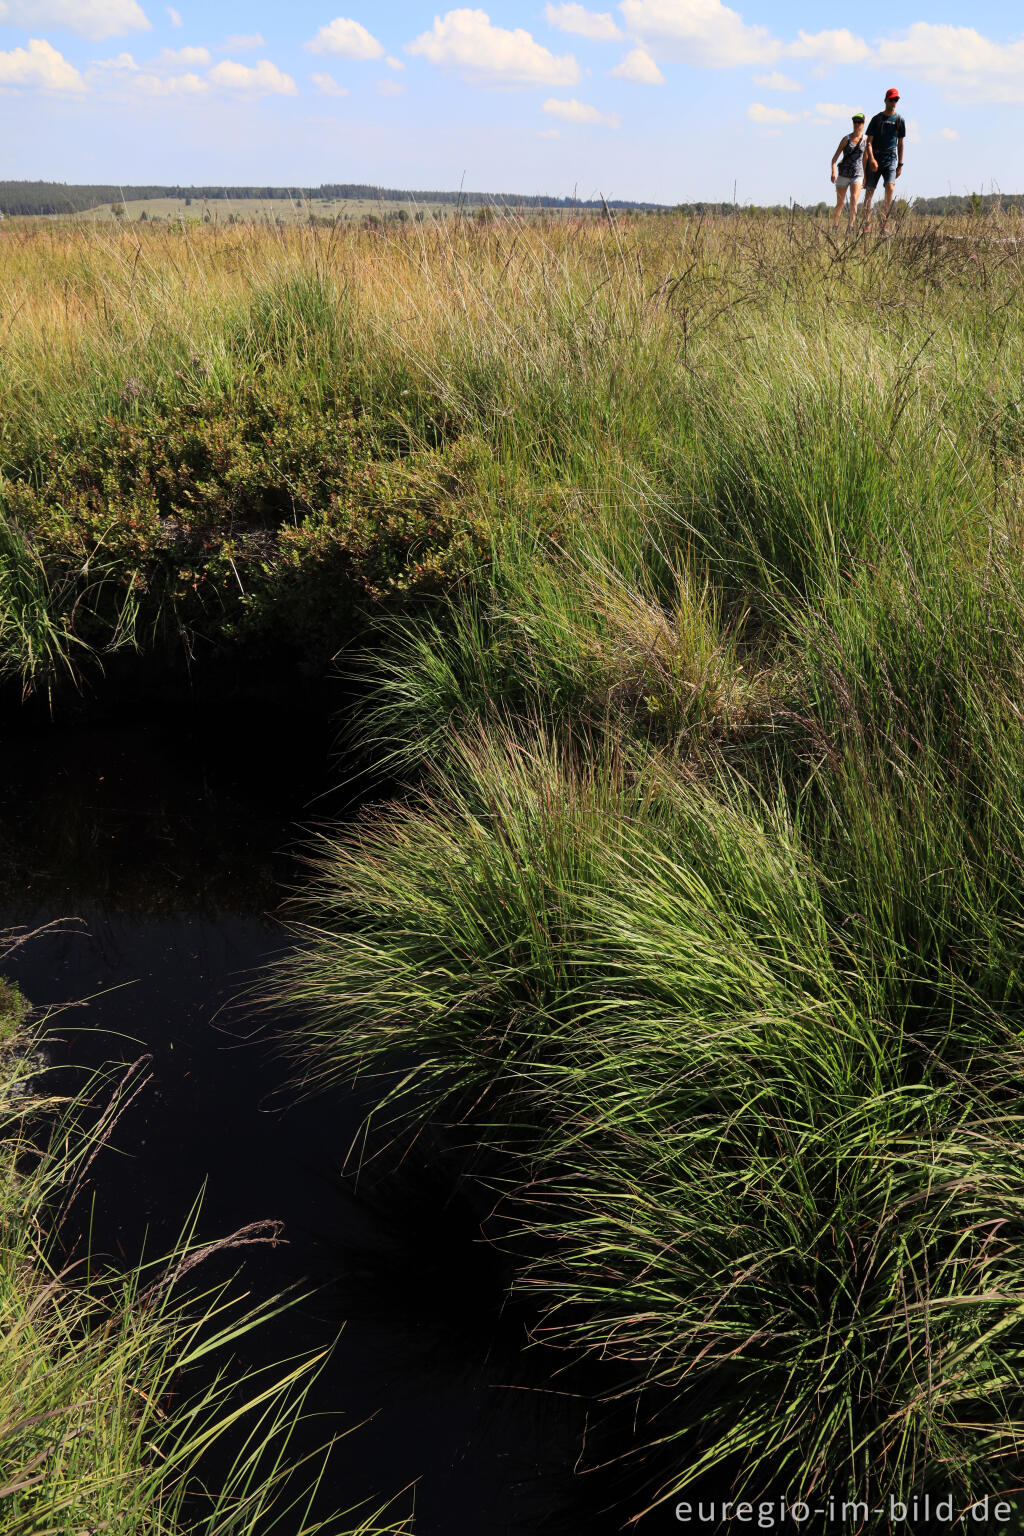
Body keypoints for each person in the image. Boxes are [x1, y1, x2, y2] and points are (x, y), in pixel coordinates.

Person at [863, 88, 906, 233]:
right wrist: (872, 160)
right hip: (876, 157)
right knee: (869, 192)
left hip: (891, 159)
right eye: (891, 99)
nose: (894, 102)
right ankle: (866, 225)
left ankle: (883, 223)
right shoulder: (877, 119)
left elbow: (900, 143)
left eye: (896, 100)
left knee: (890, 187)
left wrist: (900, 164)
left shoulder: (900, 120)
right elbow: (868, 142)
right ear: (885, 100)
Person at [830, 111, 868, 231]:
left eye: (859, 122)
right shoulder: (846, 139)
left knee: (854, 200)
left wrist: (866, 176)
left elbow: (866, 158)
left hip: (858, 174)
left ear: (863, 124)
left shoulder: (866, 139)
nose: (857, 124)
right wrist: (833, 171)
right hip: (843, 174)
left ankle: (850, 228)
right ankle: (835, 226)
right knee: (840, 202)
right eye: (855, 122)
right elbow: (834, 158)